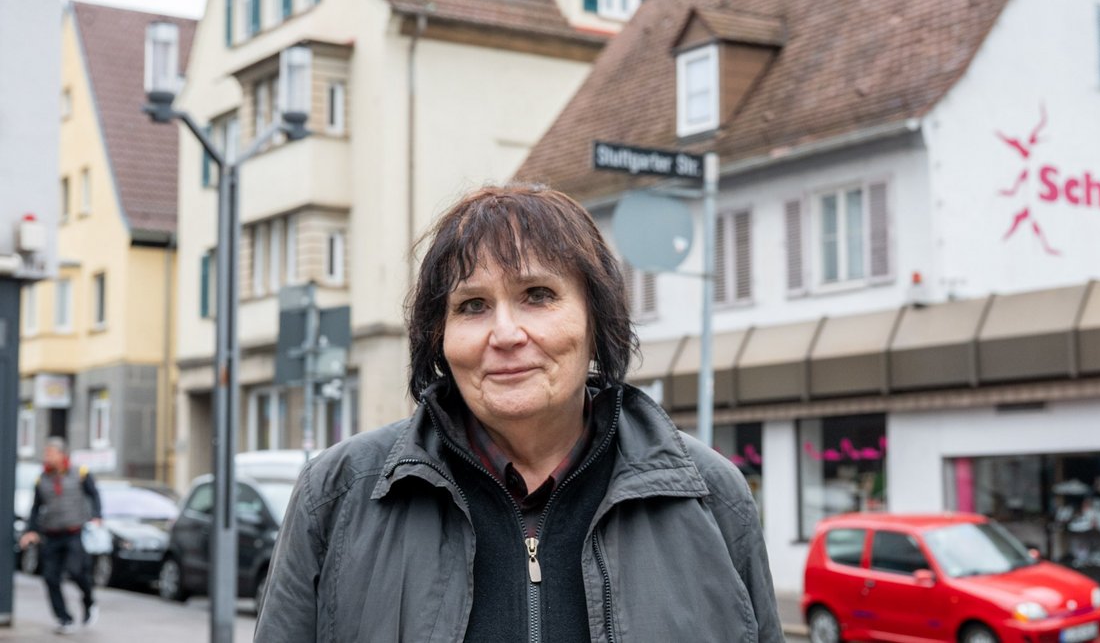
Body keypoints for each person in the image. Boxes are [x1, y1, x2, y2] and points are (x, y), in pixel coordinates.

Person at [256, 184, 784, 642]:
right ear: (439, 340)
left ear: (595, 321)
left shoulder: (711, 499)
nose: (505, 334)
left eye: (537, 295)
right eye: (472, 306)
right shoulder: (339, 495)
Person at [19, 437, 102, 634]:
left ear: (62, 454)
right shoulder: (42, 479)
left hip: (74, 533)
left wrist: (97, 516)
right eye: (46, 452)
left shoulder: (80, 473)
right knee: (50, 577)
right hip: (51, 534)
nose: (46, 456)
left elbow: (94, 494)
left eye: (50, 453)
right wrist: (31, 530)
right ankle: (64, 618)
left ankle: (89, 601)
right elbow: (36, 507)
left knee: (76, 571)